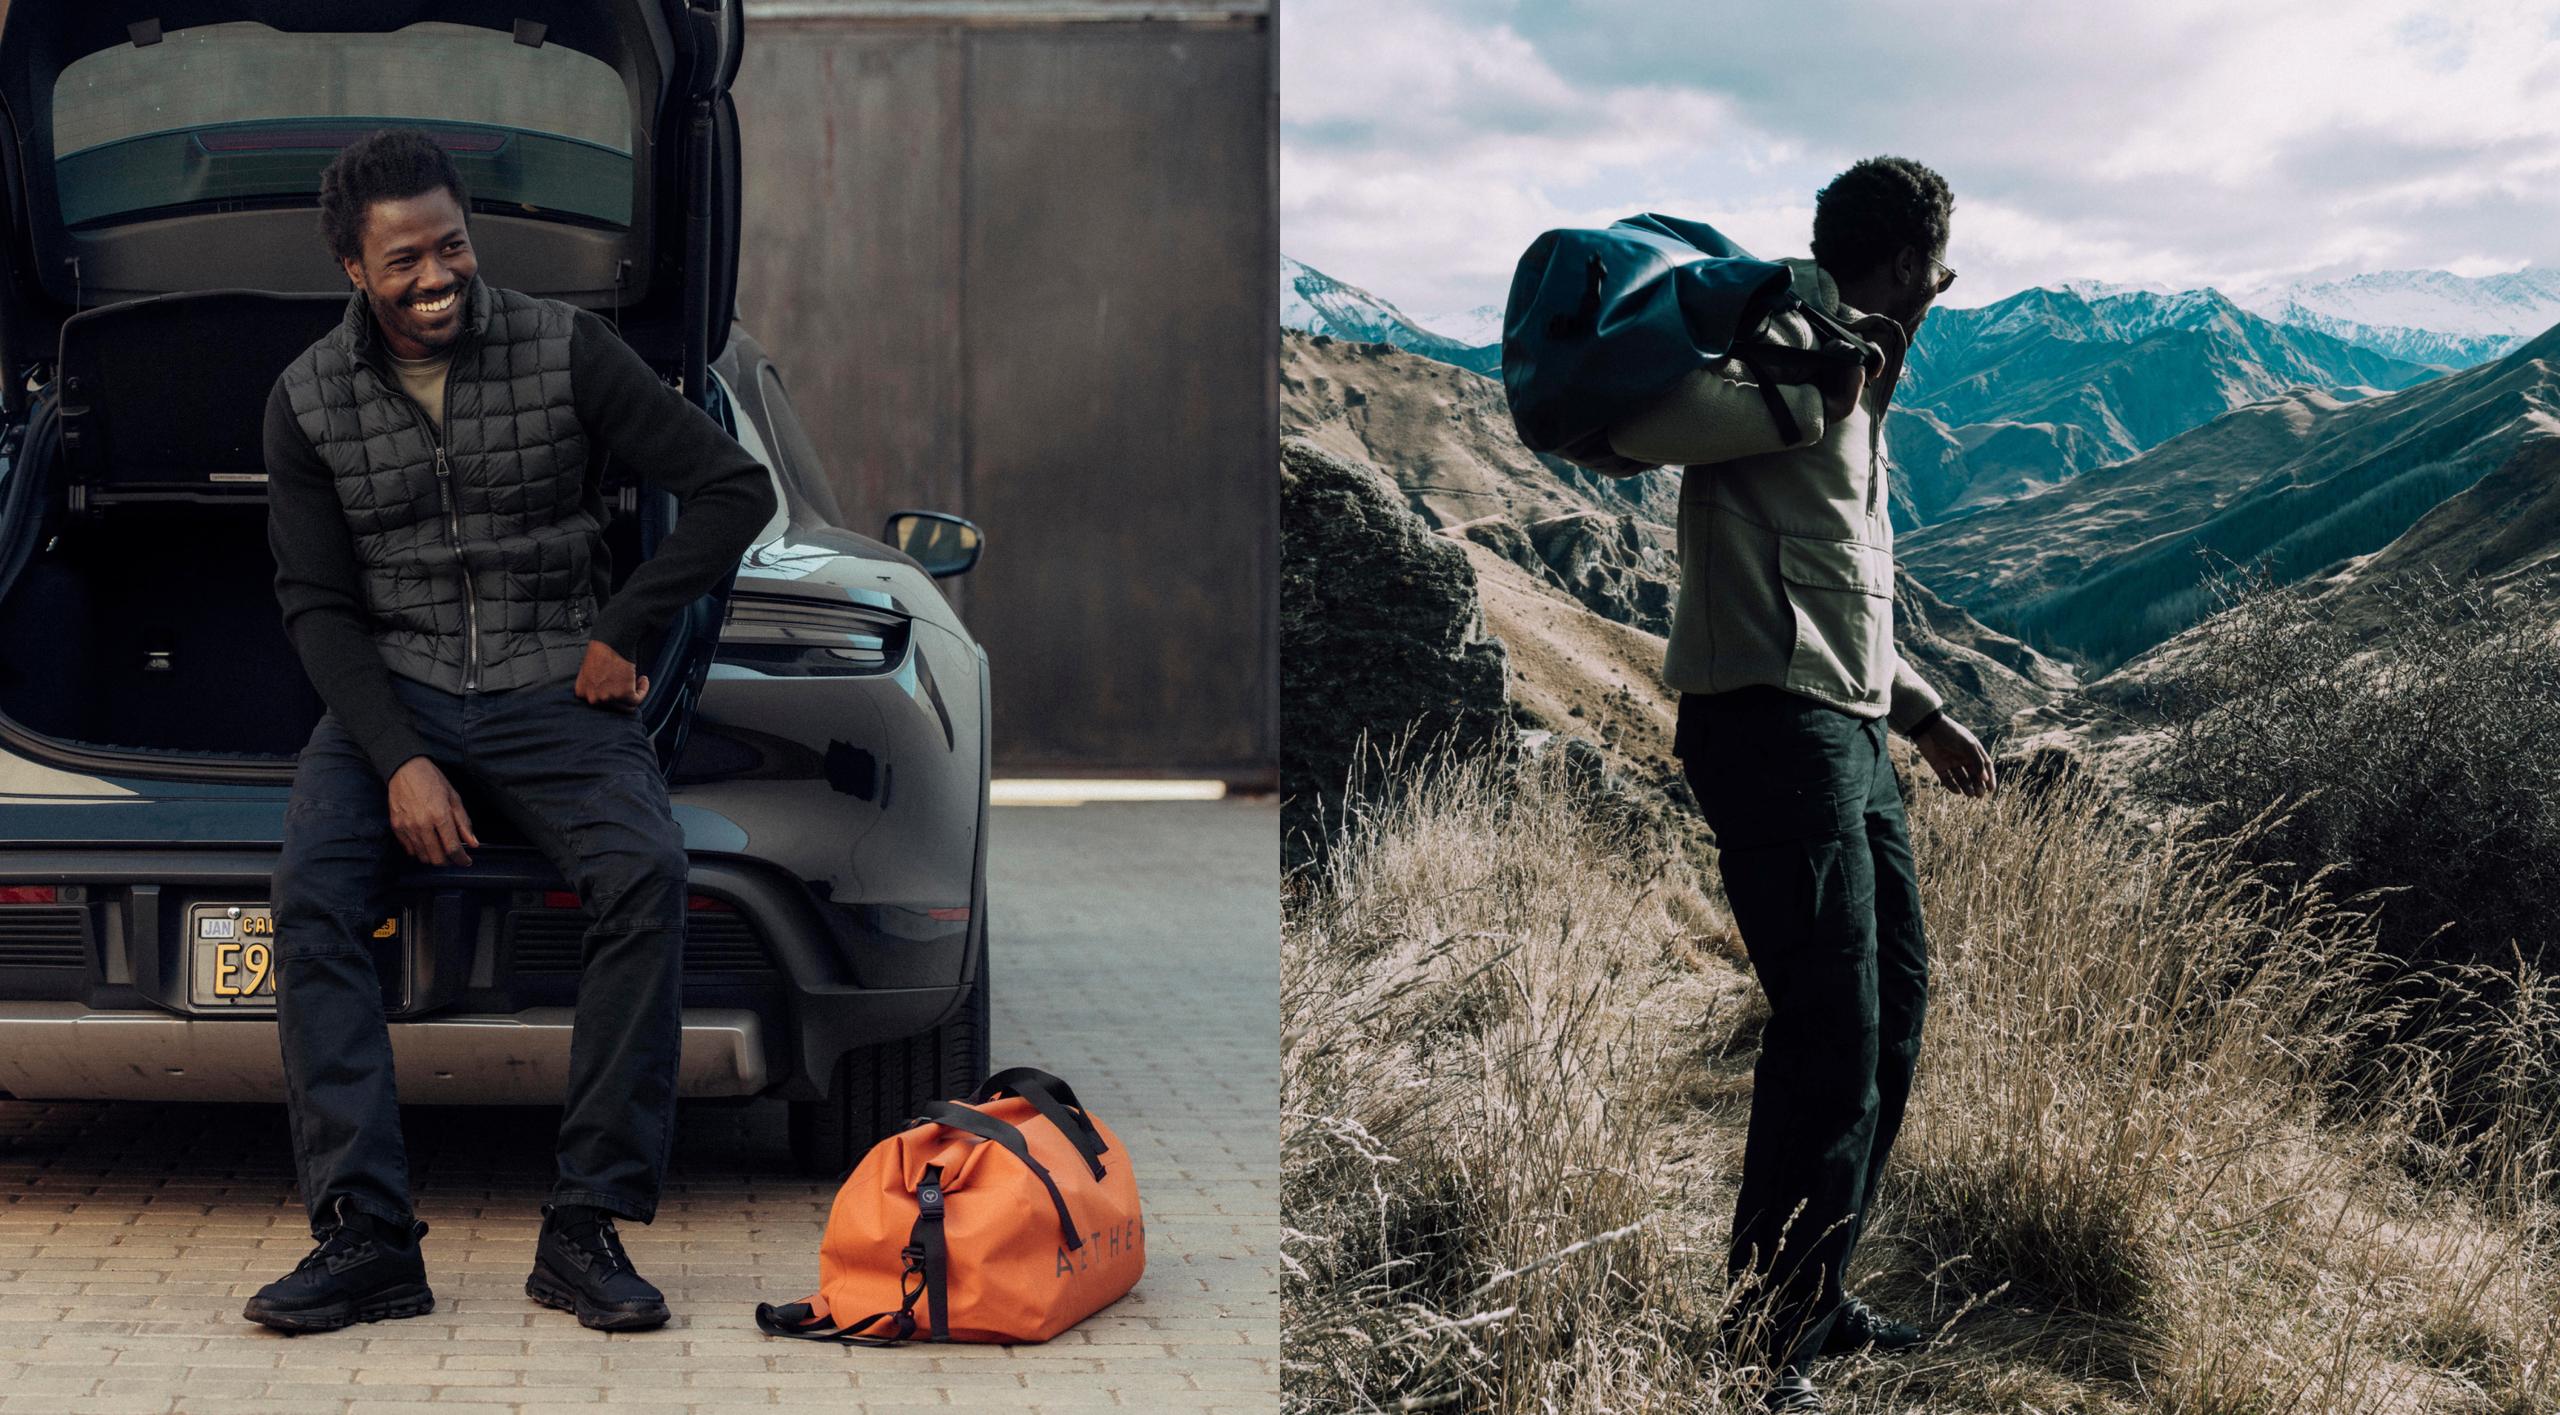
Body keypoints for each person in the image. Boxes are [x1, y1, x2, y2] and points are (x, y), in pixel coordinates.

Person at [244, 129, 777, 1334]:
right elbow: (317, 606)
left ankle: (585, 1225)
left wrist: (630, 626)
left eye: (452, 247)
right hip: (399, 684)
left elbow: (732, 487)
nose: (437, 279)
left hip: (554, 684)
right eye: (404, 263)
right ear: (351, 269)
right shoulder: (306, 400)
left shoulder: (563, 345)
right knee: (313, 897)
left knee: (646, 871)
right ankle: (368, 1237)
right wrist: (400, 758)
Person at [1604, 155, 1996, 1413]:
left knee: (1893, 1006)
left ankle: (1813, 1292)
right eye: (1939, 271)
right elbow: (1640, 429)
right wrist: (1803, 392)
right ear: (1900, 264)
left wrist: (1925, 715)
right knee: (1828, 1027)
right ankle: (1761, 1338)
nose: (1941, 295)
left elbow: (1850, 585)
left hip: (1850, 727)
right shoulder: (1790, 344)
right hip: (1768, 724)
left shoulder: (1862, 374)